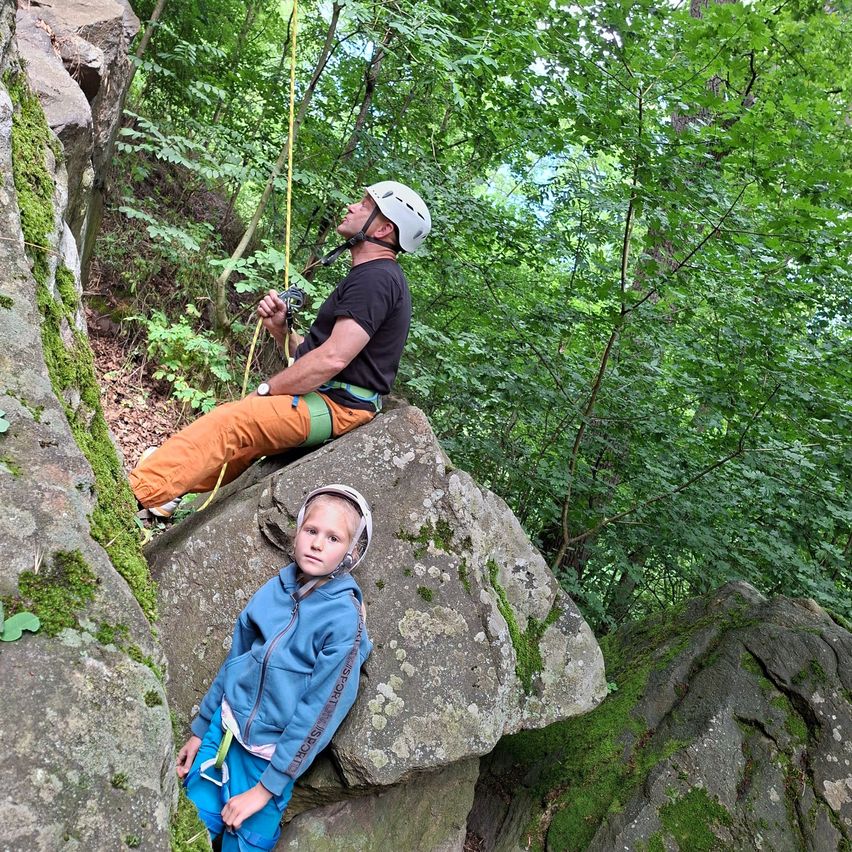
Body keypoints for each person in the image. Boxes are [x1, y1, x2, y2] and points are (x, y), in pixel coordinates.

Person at [130, 181, 430, 517]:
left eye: (364, 205)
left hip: (338, 406)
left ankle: (133, 493)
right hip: (333, 398)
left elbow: (333, 358)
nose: (352, 207)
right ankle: (165, 492)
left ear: (384, 228)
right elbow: (321, 355)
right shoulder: (374, 276)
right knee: (241, 444)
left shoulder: (376, 279)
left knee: (234, 422)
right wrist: (281, 330)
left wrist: (266, 390)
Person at [175, 484, 374, 851]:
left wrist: (265, 789)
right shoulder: (275, 589)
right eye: (311, 530)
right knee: (188, 831)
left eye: (333, 538)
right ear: (297, 532)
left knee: (245, 843)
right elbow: (236, 658)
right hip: (224, 731)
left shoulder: (343, 620)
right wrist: (201, 731)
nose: (317, 544)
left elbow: (321, 711)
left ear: (351, 553)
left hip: (268, 761)